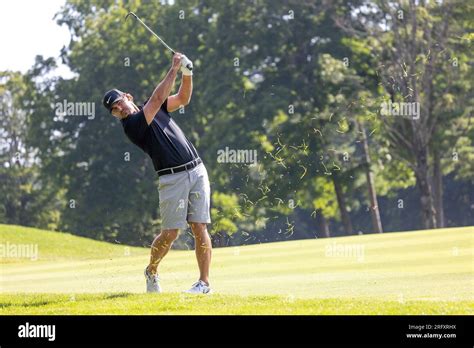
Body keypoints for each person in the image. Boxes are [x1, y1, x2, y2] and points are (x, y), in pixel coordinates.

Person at [102, 53, 212, 294]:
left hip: (196, 169)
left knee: (199, 227)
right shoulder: (131, 126)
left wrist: (187, 73)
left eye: (119, 101)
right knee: (171, 232)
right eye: (113, 109)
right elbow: (156, 99)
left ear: (128, 97)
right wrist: (174, 68)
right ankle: (151, 270)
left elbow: (183, 98)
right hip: (171, 178)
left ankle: (204, 283)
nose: (118, 108)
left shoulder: (154, 107)